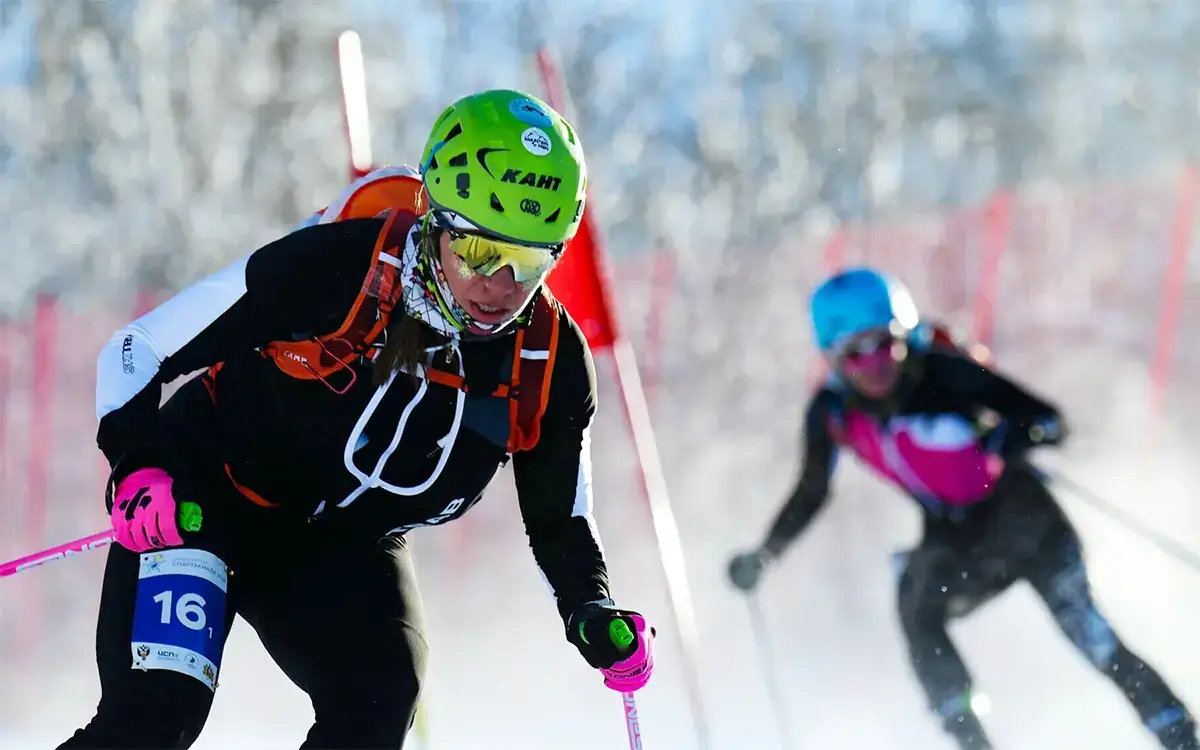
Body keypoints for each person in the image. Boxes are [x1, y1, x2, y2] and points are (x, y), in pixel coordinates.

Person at [62, 89, 655, 750]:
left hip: (338, 548)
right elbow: (138, 348)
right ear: (439, 221)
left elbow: (560, 519)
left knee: (379, 697)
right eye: (480, 253)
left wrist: (591, 606)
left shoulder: (549, 360)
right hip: (203, 503)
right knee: (154, 720)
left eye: (531, 262)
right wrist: (138, 467)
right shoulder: (340, 269)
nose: (501, 287)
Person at [726, 267, 1197, 750]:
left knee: (1092, 637)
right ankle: (972, 739)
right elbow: (812, 489)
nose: (873, 365)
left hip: (1026, 524)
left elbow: (1049, 420)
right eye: (854, 354)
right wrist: (767, 553)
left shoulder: (943, 373)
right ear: (832, 359)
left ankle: (1180, 735)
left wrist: (1016, 435)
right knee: (916, 605)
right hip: (956, 538)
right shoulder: (832, 413)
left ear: (905, 337)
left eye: (883, 345)